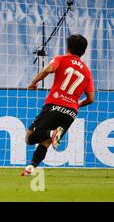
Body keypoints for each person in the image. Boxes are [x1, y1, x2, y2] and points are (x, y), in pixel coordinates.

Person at [21, 34, 95, 176]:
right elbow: (91, 98)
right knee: (47, 142)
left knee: (29, 138)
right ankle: (31, 166)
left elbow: (48, 69)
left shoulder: (61, 59)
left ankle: (50, 133)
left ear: (67, 47)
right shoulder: (87, 71)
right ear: (84, 52)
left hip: (54, 105)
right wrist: (75, 105)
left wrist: (33, 82)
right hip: (71, 112)